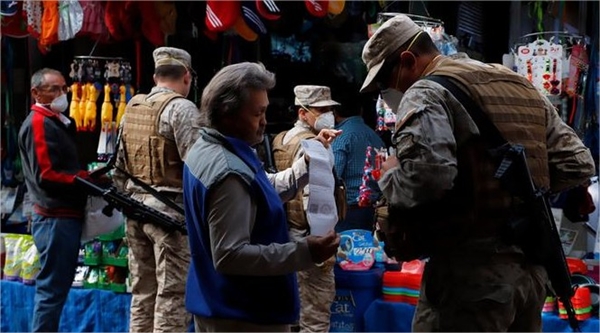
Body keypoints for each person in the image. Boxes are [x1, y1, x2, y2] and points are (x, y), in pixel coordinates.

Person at [360, 14, 596, 332]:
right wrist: (518, 197)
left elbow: (429, 179)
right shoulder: (516, 82)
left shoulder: (426, 91)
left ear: (407, 60)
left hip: (470, 280)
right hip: (531, 275)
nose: (385, 92)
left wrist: (389, 175)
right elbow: (577, 163)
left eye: (384, 81)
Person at [183, 62, 341, 332]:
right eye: (258, 113)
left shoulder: (210, 148)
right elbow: (230, 255)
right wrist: (305, 251)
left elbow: (260, 190)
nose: (265, 122)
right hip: (242, 315)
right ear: (227, 113)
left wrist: (305, 164)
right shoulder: (227, 172)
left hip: (221, 306)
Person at [113, 47, 202, 332]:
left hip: (135, 211)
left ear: (155, 75)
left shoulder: (133, 107)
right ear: (187, 76)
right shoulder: (182, 108)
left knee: (142, 294)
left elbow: (118, 167)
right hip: (170, 217)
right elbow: (199, 167)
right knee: (172, 297)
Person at [18, 68, 90, 332]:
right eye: (54, 89)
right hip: (54, 219)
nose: (61, 94)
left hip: (63, 217)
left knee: (55, 289)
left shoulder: (58, 120)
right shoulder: (39, 122)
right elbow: (46, 174)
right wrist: (84, 180)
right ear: (36, 92)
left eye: (63, 88)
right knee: (51, 291)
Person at [271, 85, 340, 332]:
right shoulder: (312, 144)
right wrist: (323, 239)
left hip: (286, 234)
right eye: (321, 110)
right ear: (302, 113)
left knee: (294, 314)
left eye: (330, 110)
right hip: (310, 236)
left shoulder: (282, 139)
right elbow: (315, 195)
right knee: (316, 315)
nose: (328, 115)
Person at [331, 94, 385, 232]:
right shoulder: (375, 136)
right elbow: (382, 173)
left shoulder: (340, 137)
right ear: (361, 111)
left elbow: (334, 175)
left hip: (349, 210)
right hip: (374, 208)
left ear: (335, 113)